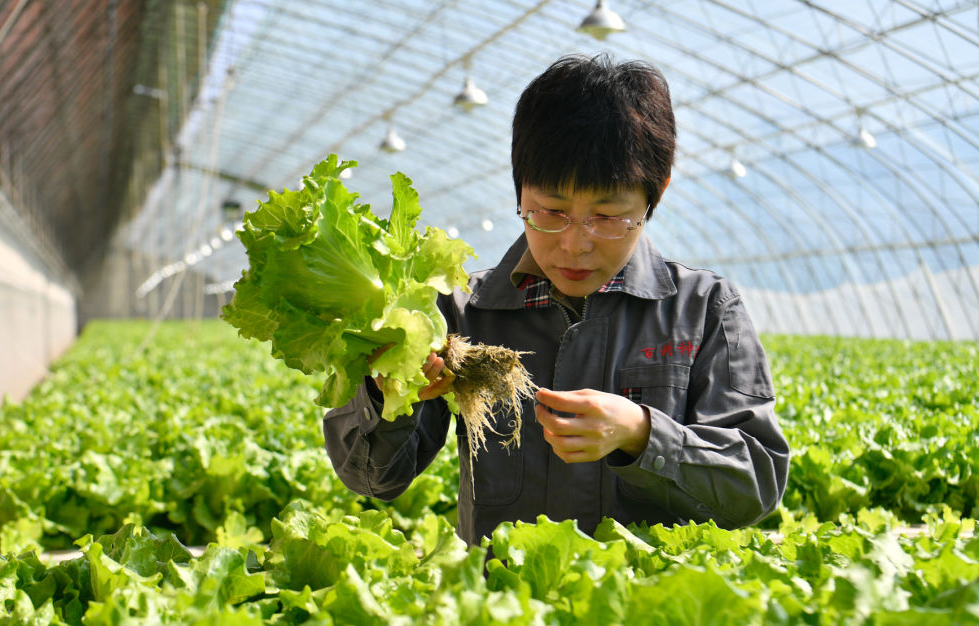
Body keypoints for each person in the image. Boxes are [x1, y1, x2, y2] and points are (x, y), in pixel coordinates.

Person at [324, 53, 790, 547]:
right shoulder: (461, 313)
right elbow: (372, 478)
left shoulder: (703, 310)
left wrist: (643, 435)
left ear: (656, 197)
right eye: (550, 212)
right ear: (519, 191)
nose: (574, 244)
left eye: (609, 217)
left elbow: (756, 485)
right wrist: (385, 396)